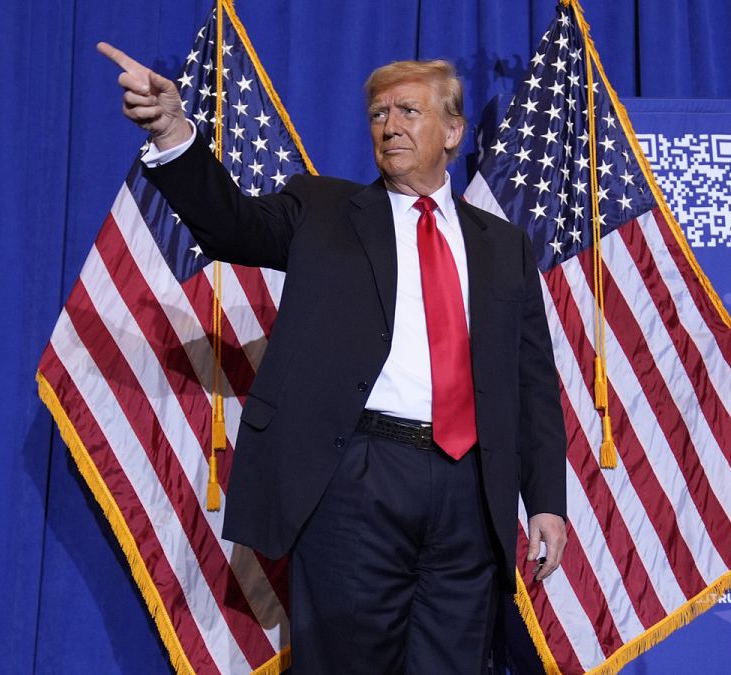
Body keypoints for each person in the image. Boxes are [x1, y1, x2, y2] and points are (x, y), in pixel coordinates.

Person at [98, 41, 568, 674]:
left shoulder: (503, 246)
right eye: (378, 114)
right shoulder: (323, 209)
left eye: (408, 111)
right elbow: (229, 224)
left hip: (470, 491)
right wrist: (175, 134)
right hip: (357, 479)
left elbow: (531, 383)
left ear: (453, 131)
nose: (389, 126)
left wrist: (545, 501)